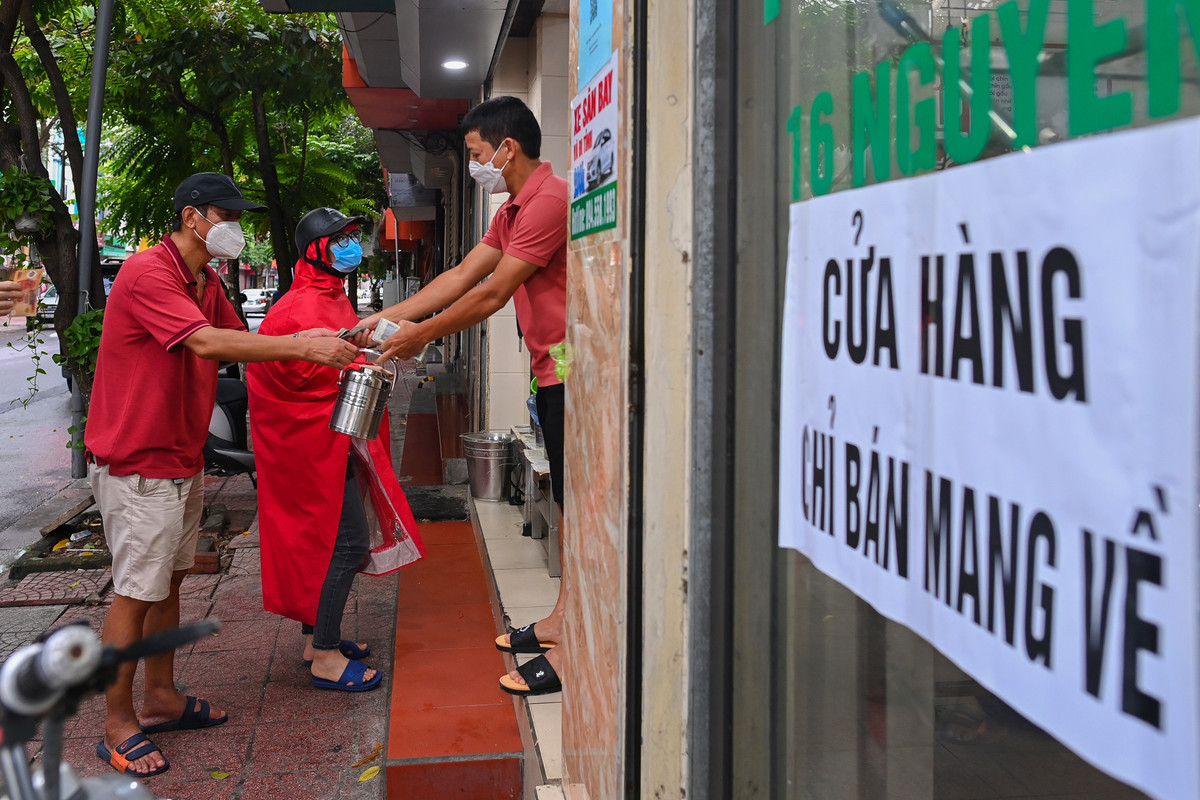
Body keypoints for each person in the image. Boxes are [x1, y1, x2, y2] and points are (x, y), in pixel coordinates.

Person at [85, 173, 360, 778]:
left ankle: (161, 697)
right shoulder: (149, 273)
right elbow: (209, 345)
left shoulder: (203, 280)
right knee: (136, 591)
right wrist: (303, 347)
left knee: (170, 581)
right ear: (192, 217)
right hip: (138, 460)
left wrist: (322, 340)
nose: (236, 227)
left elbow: (240, 338)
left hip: (178, 455)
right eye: (226, 215)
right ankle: (116, 723)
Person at [360, 96, 569, 697]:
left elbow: (492, 294)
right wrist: (385, 320)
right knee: (569, 508)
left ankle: (578, 642)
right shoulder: (513, 209)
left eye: (477, 154)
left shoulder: (549, 201)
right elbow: (460, 277)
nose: (475, 165)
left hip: (573, 376)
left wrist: (417, 337)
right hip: (549, 374)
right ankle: (564, 619)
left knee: (580, 513)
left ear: (507, 148)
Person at [247, 207, 424, 693]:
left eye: (352, 236)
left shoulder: (332, 298)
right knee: (347, 544)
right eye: (340, 238)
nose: (351, 246)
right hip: (310, 446)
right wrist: (357, 364)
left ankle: (315, 641)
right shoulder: (295, 309)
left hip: (334, 441)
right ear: (315, 250)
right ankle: (325, 654)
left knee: (327, 540)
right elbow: (295, 383)